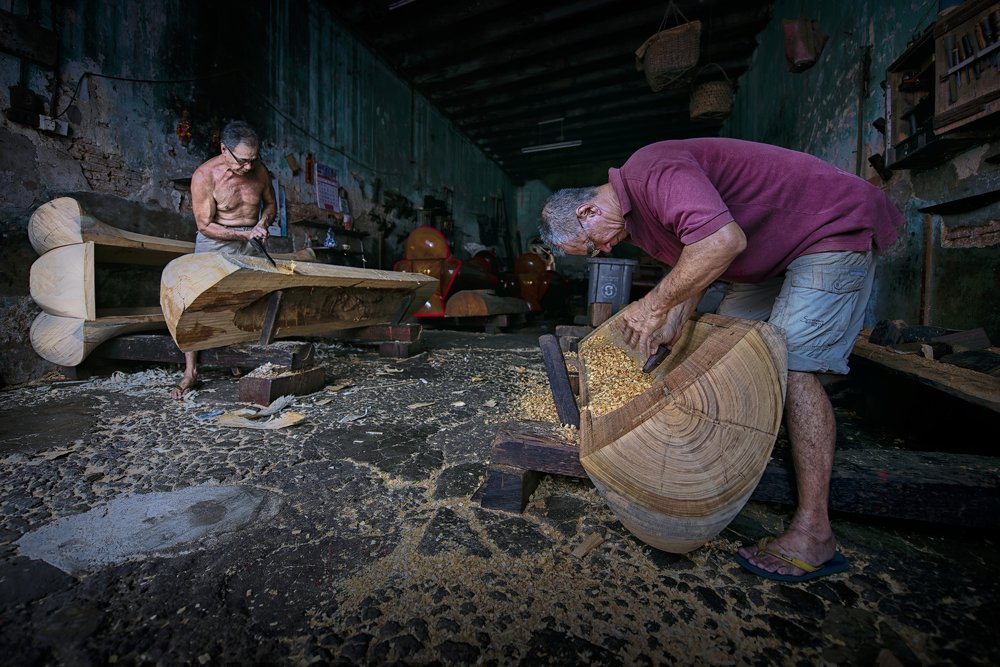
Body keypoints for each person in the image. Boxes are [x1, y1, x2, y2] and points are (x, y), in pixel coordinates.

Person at [539, 137, 903, 582]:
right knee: (727, 353)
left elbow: (723, 242)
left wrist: (653, 306)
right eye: (596, 253)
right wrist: (671, 324)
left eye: (593, 246)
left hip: (829, 228)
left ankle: (815, 533)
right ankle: (720, 467)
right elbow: (695, 267)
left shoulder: (651, 171)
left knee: (792, 365)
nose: (605, 251)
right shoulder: (640, 224)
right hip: (765, 254)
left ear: (588, 212)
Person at [169, 120, 276, 399]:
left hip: (252, 239)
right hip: (215, 241)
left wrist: (263, 223)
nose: (248, 168)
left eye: (253, 159)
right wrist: (243, 234)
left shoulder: (259, 170)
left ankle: (236, 359)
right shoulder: (205, 176)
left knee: (249, 300)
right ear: (224, 150)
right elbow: (204, 225)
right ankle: (190, 373)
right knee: (195, 303)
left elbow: (271, 205)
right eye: (243, 161)